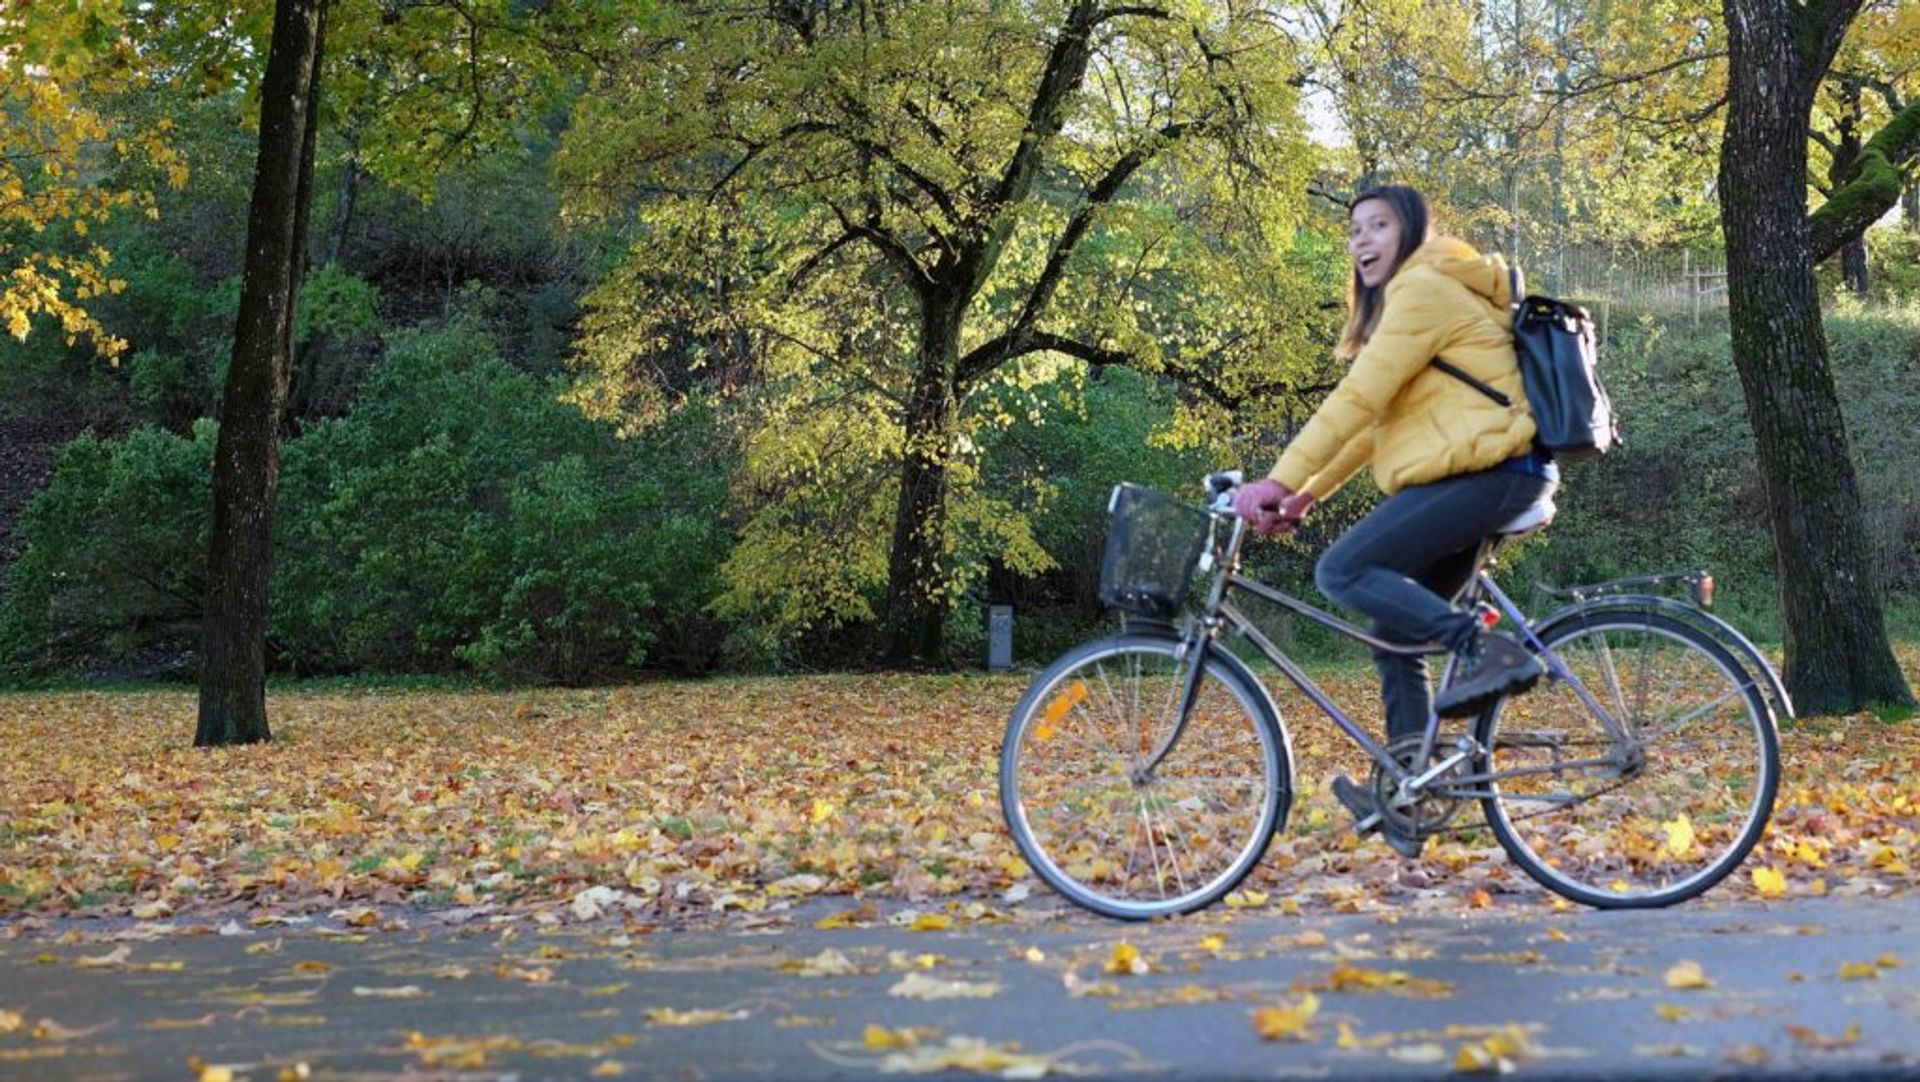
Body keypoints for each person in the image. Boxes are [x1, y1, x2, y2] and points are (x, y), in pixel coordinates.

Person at [1233, 184, 1557, 857]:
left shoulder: (1425, 288)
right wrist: (1306, 494)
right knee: (1393, 634)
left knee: (1343, 569)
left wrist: (1277, 478)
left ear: (1411, 232)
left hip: (1492, 471)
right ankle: (1417, 788)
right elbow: (1374, 425)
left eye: (1378, 226)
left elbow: (1357, 397)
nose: (1362, 242)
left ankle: (1482, 647)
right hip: (1492, 473)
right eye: (1354, 231)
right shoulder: (1420, 298)